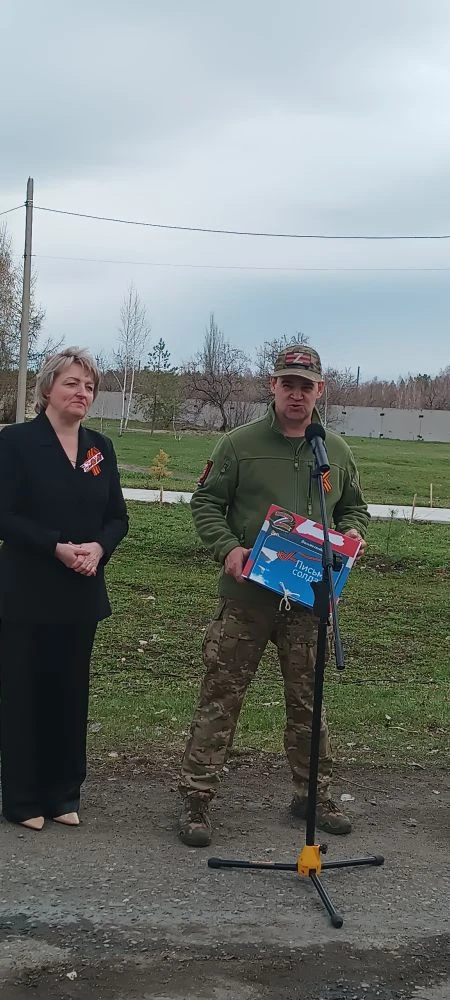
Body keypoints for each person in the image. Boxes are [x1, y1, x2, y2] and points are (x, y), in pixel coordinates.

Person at [178, 344, 369, 847]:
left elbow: (354, 508)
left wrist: (353, 534)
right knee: (221, 696)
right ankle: (197, 798)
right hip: (248, 597)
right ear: (273, 386)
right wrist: (228, 549)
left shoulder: (334, 451)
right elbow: (206, 503)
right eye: (288, 384)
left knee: (309, 703)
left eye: (306, 386)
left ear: (320, 390)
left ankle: (313, 796)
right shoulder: (238, 445)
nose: (296, 394)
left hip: (308, 599)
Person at [0, 348, 128, 831]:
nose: (82, 393)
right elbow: (4, 514)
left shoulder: (100, 448)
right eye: (72, 383)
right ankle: (23, 799)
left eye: (89, 386)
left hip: (80, 593)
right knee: (24, 694)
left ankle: (62, 793)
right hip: (26, 593)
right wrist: (54, 545)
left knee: (69, 695)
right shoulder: (15, 442)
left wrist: (98, 547)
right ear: (47, 389)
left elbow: (117, 517)